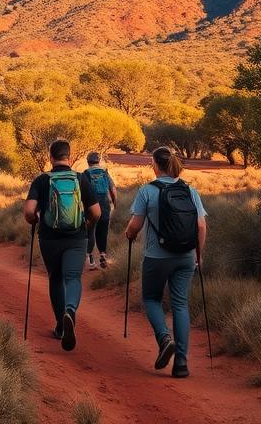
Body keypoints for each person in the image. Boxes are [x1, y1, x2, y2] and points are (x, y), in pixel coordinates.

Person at [124, 146, 208, 379]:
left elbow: (135, 225)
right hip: (187, 256)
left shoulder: (146, 191)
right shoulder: (190, 191)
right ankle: (181, 363)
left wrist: (128, 235)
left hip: (157, 257)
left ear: (155, 165)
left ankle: (164, 338)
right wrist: (198, 255)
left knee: (151, 298)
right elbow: (201, 226)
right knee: (180, 304)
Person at [23, 139, 101, 351]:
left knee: (56, 278)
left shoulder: (41, 180)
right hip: (77, 238)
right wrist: (87, 225)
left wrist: (35, 221)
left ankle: (60, 326)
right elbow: (96, 212)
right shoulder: (80, 178)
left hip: (49, 239)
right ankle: (70, 310)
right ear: (70, 156)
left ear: (51, 156)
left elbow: (29, 211)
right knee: (73, 277)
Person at [82, 151, 117, 270]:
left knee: (91, 231)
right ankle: (102, 255)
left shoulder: (85, 173)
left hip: (91, 206)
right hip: (105, 205)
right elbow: (113, 189)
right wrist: (114, 203)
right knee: (103, 231)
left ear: (88, 162)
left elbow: (82, 193)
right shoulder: (104, 172)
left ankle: (91, 260)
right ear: (99, 161)